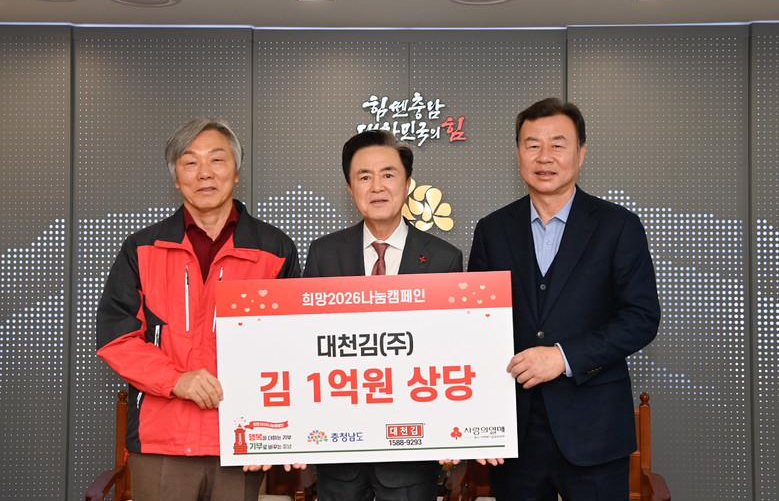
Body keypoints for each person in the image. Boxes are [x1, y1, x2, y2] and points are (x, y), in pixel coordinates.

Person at [96, 118, 301, 501]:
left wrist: (284, 431)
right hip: (161, 443)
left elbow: (291, 347)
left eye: (217, 160)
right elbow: (116, 339)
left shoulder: (274, 250)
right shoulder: (142, 249)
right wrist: (177, 380)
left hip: (242, 440)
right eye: (190, 162)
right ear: (176, 177)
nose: (204, 173)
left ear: (236, 172)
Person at [468, 98, 661, 500]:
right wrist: (480, 423)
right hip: (515, 432)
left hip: (595, 430)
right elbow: (476, 328)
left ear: (581, 153)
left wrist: (563, 357)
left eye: (558, 144)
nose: (545, 156)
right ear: (518, 153)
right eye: (532, 145)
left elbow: (641, 318)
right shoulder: (492, 230)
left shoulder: (618, 226)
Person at [304, 129, 463, 501]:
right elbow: (307, 348)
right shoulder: (324, 254)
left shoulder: (443, 259)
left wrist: (452, 431)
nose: (377, 186)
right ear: (350, 188)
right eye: (364, 177)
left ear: (407, 184)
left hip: (411, 453)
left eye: (388, 174)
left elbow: (452, 353)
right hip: (339, 452)